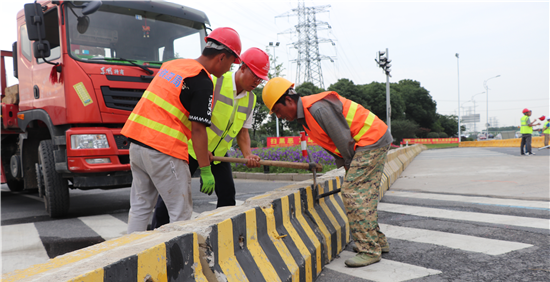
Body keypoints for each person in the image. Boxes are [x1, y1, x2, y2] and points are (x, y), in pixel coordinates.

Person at [262, 77, 393, 268]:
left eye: (278, 111)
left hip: (369, 140)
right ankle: (377, 242)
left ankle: (369, 249)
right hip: (373, 139)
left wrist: (349, 165)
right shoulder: (307, 114)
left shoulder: (317, 109)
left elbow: (343, 138)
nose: (279, 117)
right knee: (364, 194)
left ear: (289, 101)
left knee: (352, 193)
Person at [121, 27, 242, 234]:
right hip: (164, 150)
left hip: (137, 144)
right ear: (222, 57)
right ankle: (181, 263)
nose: (228, 70)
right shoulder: (203, 81)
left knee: (141, 207)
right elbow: (198, 130)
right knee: (181, 214)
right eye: (231, 63)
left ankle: (131, 257)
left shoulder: (172, 65)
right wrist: (205, 169)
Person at [151, 48, 269, 229]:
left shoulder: (251, 99)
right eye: (255, 76)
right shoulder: (214, 82)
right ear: (243, 68)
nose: (257, 81)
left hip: (219, 155)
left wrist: (248, 155)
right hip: (191, 148)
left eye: (261, 78)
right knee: (173, 193)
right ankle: (156, 232)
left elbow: (243, 132)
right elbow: (192, 119)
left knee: (228, 196)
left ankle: (224, 234)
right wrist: (201, 150)